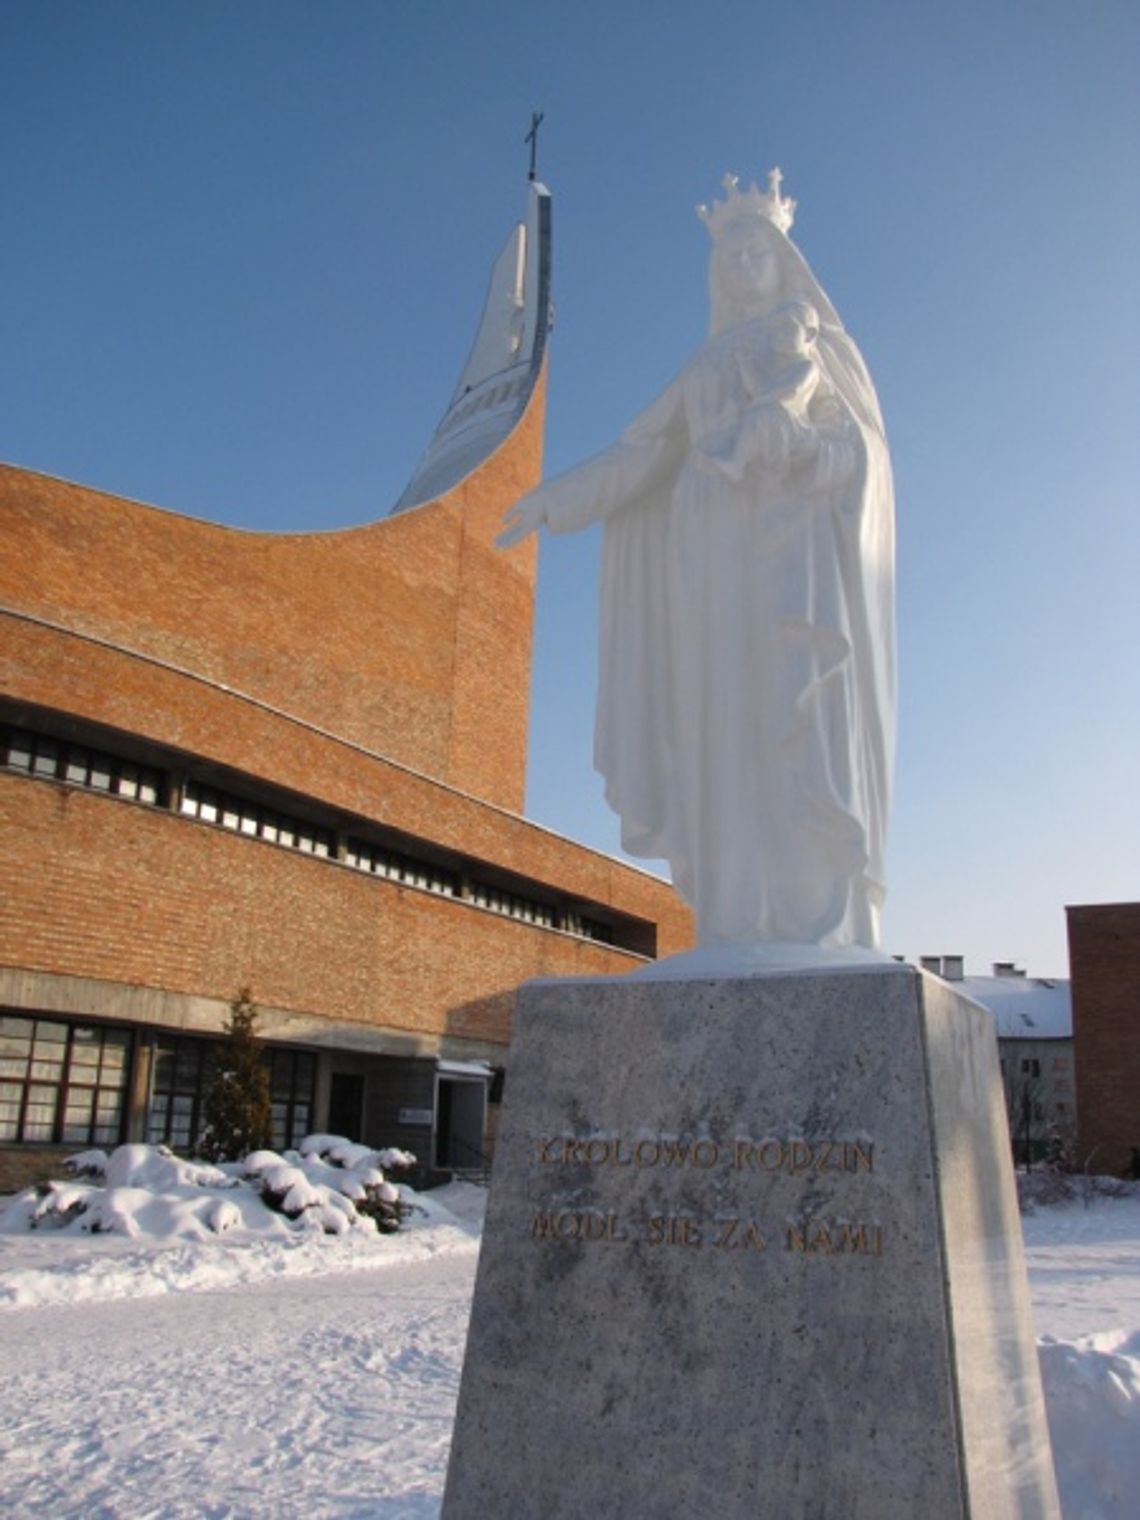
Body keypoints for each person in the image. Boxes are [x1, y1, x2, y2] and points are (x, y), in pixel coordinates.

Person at [500, 171, 895, 952]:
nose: (745, 264)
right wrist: (560, 497)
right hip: (709, 572)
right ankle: (737, 911)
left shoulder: (818, 349)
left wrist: (796, 448)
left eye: (759, 250)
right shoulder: (705, 364)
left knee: (795, 721)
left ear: (784, 262)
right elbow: (641, 453)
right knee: (724, 726)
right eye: (733, 253)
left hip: (793, 569)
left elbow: (862, 456)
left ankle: (814, 916)